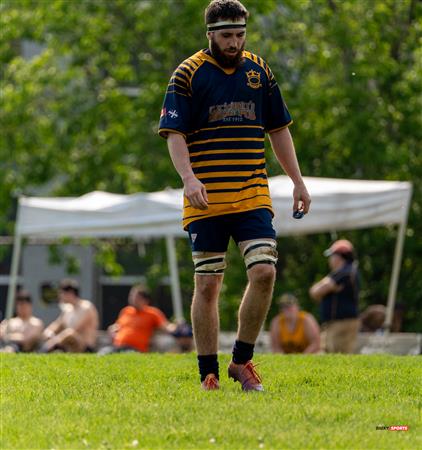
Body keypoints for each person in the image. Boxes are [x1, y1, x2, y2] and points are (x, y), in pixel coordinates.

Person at [158, 0, 311, 391]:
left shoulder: (259, 70)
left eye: (240, 34)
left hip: (251, 195)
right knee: (208, 284)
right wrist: (189, 179)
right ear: (210, 33)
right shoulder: (187, 74)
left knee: (264, 271)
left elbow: (278, 129)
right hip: (205, 198)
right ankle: (207, 371)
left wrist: (297, 181)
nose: (234, 42)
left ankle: (241, 362)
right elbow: (174, 135)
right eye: (227, 35)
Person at [309, 239, 360, 353]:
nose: (330, 260)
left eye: (332, 256)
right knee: (330, 356)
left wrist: (323, 288)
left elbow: (315, 292)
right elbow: (315, 292)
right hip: (336, 323)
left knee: (339, 357)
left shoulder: (344, 272)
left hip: (342, 323)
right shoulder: (343, 272)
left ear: (339, 256)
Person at [103, 285, 177, 353]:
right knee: (103, 353)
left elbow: (167, 327)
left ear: (145, 300)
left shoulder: (152, 313)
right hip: (117, 346)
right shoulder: (126, 311)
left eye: (137, 297)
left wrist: (177, 327)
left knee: (127, 355)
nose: (133, 299)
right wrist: (112, 329)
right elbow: (117, 326)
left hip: (135, 349)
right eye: (132, 296)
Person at [41, 279, 99, 353]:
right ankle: (51, 348)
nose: (60, 296)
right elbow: (57, 324)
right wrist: (49, 332)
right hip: (67, 345)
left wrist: (55, 339)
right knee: (63, 334)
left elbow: (75, 329)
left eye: (61, 293)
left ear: (70, 293)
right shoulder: (68, 309)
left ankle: (45, 350)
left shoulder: (87, 307)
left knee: (70, 333)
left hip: (85, 347)